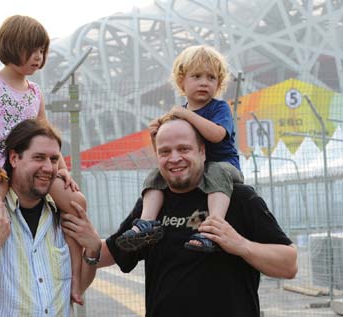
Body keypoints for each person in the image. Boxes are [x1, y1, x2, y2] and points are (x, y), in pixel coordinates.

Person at [63, 115, 298, 317]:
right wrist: (91, 243)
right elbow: (114, 253)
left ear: (202, 151)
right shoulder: (152, 204)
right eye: (165, 151)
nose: (174, 158)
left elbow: (289, 265)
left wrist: (240, 245)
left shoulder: (238, 198)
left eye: (184, 149)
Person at [0, 15, 85, 312]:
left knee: (75, 202)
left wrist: (61, 169)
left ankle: (76, 277)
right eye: (33, 49)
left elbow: (44, 133)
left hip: (27, 165)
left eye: (42, 50)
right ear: (12, 47)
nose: (39, 57)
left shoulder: (35, 92)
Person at [0, 118, 100, 316]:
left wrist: (93, 251)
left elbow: (74, 289)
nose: (48, 167)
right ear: (14, 159)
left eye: (54, 160)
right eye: (39, 158)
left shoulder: (64, 214)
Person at [116, 45, 244, 253]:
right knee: (157, 174)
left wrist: (184, 115)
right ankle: (146, 223)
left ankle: (213, 227)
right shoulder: (181, 113)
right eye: (196, 76)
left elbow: (217, 135)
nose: (204, 82)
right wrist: (155, 134)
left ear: (218, 84)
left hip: (224, 168)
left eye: (211, 78)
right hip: (195, 171)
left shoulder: (219, 108)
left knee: (215, 170)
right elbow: (165, 149)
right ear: (181, 81)